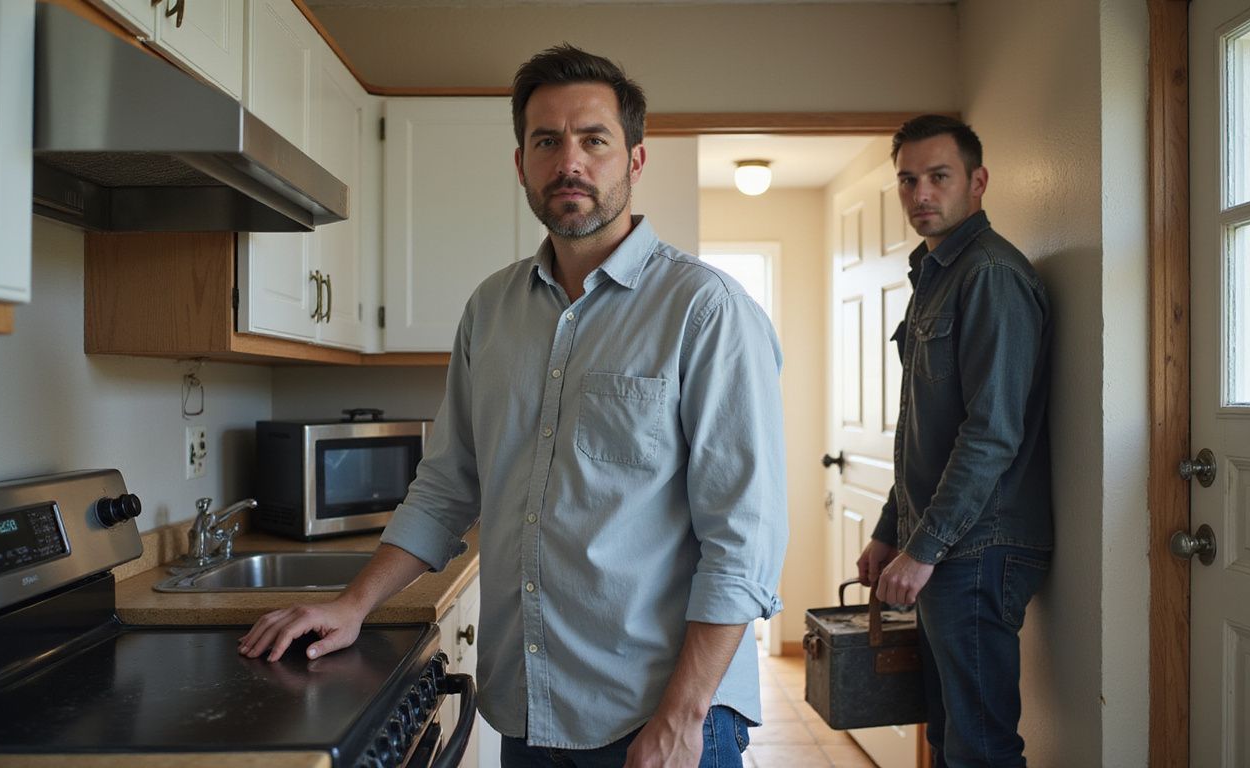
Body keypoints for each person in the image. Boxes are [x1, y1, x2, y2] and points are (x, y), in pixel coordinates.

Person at [239, 45, 787, 768]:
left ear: (636, 160)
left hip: (661, 716)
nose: (571, 162)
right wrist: (351, 605)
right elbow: (445, 487)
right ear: (521, 162)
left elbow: (743, 540)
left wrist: (684, 718)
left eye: (594, 139)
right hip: (528, 707)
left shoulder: (705, 311)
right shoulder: (490, 311)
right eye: (546, 141)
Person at [856, 114, 1052, 767]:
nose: (920, 194)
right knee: (945, 739)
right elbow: (924, 430)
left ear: (977, 181)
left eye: (938, 177)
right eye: (908, 180)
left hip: (977, 549)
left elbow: (991, 433)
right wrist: (891, 531)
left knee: (979, 747)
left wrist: (924, 548)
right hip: (940, 546)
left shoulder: (989, 275)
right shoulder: (933, 276)